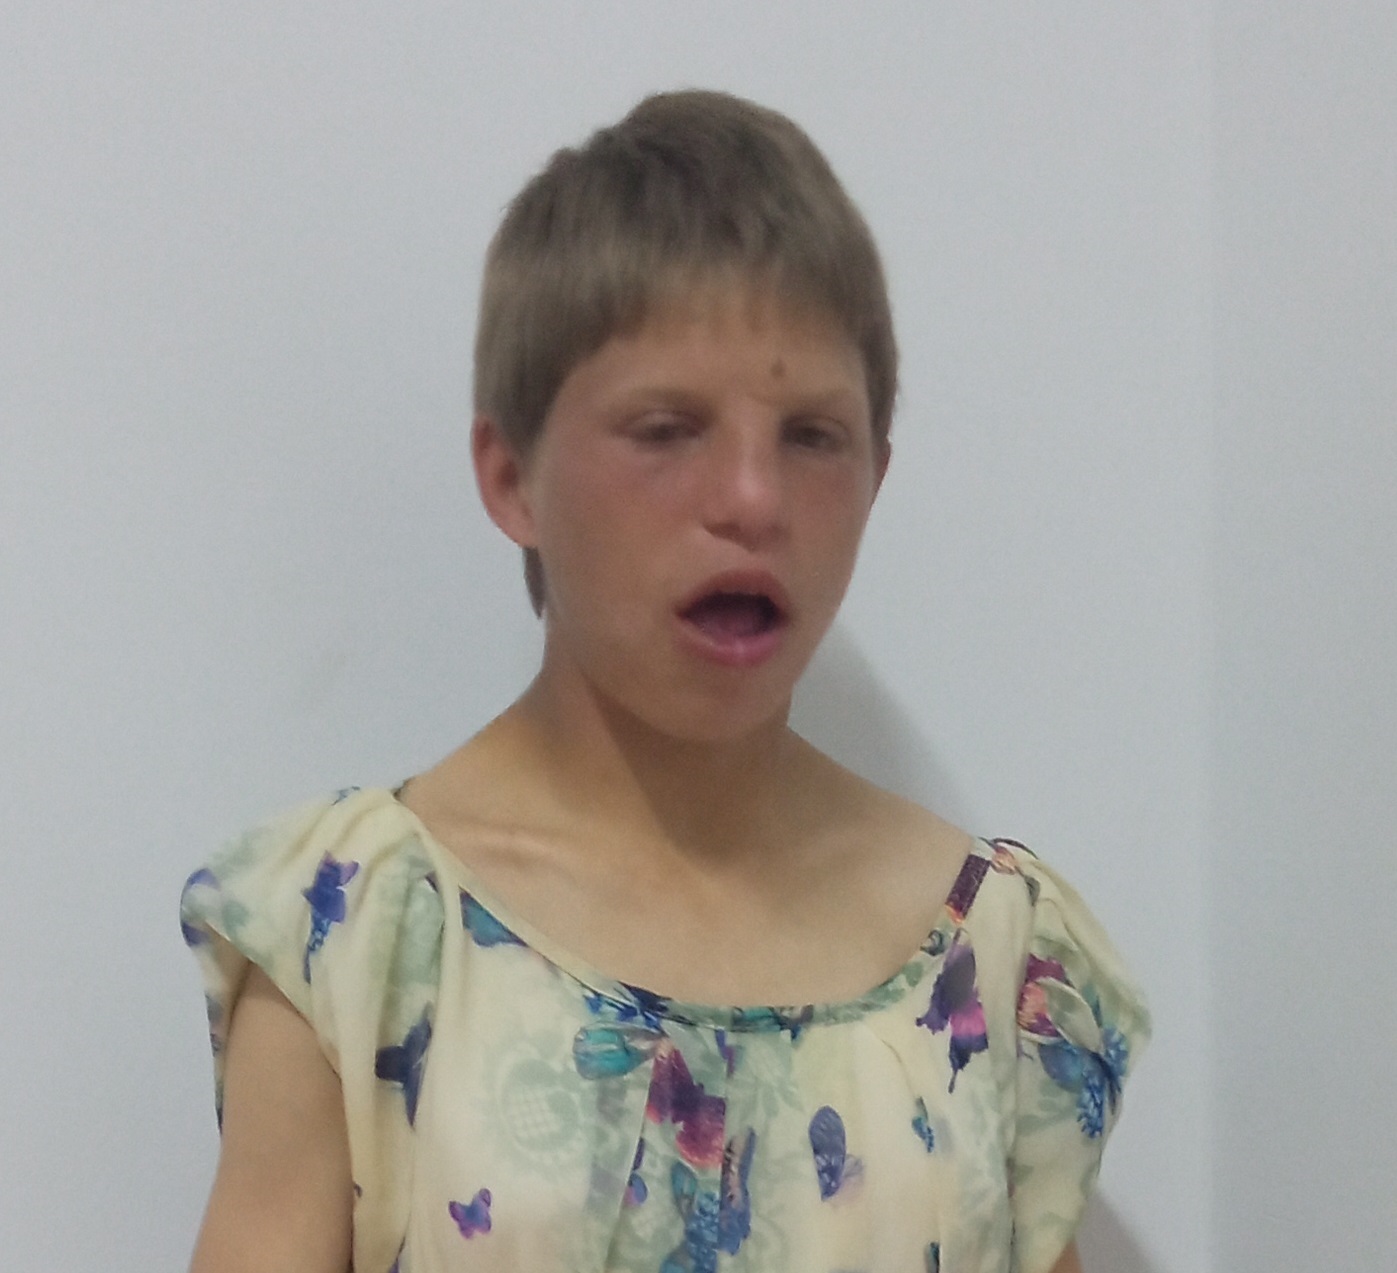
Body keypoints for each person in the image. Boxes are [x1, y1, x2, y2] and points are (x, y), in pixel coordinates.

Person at [181, 89, 1148, 1273]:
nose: (751, 497)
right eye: (665, 428)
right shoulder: (355, 935)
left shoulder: (990, 957)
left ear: (875, 476)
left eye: (811, 435)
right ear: (512, 477)